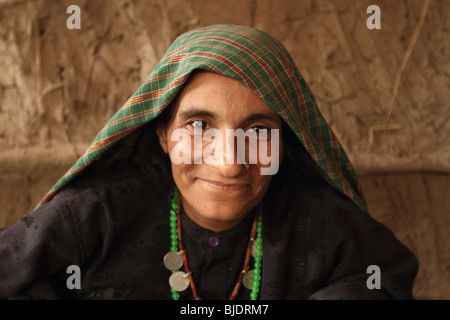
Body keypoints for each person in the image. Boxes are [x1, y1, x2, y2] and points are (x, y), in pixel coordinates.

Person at [0, 24, 417, 300]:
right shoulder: (94, 216)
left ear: (286, 145)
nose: (229, 163)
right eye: (199, 126)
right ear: (162, 133)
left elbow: (385, 277)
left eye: (257, 132)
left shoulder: (325, 226)